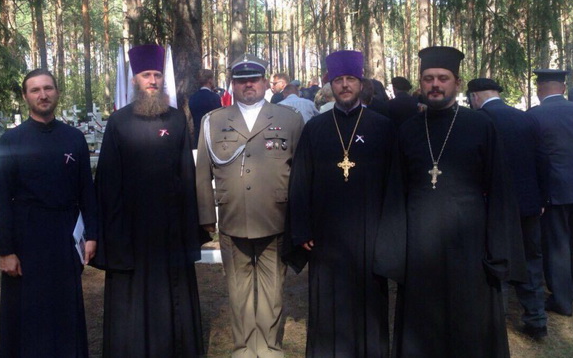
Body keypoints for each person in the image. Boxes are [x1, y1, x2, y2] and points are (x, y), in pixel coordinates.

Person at [374, 46, 525, 357]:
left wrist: (500, 250)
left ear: (457, 82)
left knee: (470, 325)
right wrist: (393, 253)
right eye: (428, 78)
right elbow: (395, 193)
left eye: (443, 78)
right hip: (419, 246)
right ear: (420, 82)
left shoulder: (480, 126)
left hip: (469, 247)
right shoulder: (408, 131)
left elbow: (500, 190)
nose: (435, 85)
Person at [93, 44, 206, 356]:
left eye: (157, 74)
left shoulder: (176, 120)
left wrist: (190, 228)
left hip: (170, 229)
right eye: (146, 75)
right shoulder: (118, 123)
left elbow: (187, 174)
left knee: (173, 296)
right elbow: (108, 182)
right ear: (134, 80)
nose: (153, 80)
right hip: (132, 230)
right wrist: (112, 235)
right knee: (134, 297)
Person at [285, 50, 394, 356]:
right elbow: (300, 181)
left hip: (369, 232)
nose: (345, 86)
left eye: (351, 79)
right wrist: (302, 228)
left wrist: (390, 231)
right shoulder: (316, 128)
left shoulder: (382, 127)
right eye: (338, 80)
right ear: (329, 85)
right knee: (327, 300)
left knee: (370, 298)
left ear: (361, 83)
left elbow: (393, 183)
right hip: (325, 235)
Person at [195, 55, 304, 357]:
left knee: (273, 290)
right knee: (238, 291)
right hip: (233, 217)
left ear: (266, 82)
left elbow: (303, 173)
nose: (248, 85)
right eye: (241, 80)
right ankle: (243, 347)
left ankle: (269, 347)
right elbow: (202, 173)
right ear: (233, 84)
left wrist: (301, 219)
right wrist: (207, 217)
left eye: (254, 79)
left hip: (276, 218)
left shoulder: (289, 119)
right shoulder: (214, 121)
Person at [0, 69, 98, 357]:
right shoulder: (11, 141)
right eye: (35, 90)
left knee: (65, 308)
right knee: (29, 312)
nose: (43, 95)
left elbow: (86, 191)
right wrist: (6, 251)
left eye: (48, 88)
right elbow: (1, 200)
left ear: (57, 92)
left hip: (65, 237)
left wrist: (92, 235)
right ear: (26, 96)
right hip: (27, 238)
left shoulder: (74, 138)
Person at [468, 77, 547, 339]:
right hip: (528, 204)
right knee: (531, 260)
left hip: (495, 205)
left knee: (496, 258)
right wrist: (542, 199)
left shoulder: (479, 122)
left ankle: (495, 321)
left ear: (475, 97)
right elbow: (542, 160)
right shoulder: (525, 118)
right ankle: (536, 319)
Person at [527, 68, 573, 317]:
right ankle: (572, 289)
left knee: (557, 246)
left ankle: (562, 300)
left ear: (539, 88)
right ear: (563, 88)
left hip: (555, 191)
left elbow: (533, 158)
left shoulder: (534, 115)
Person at [189, 68, 222, 147]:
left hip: (198, 137)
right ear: (210, 80)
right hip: (213, 138)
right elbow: (220, 117)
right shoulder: (214, 97)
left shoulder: (193, 97)